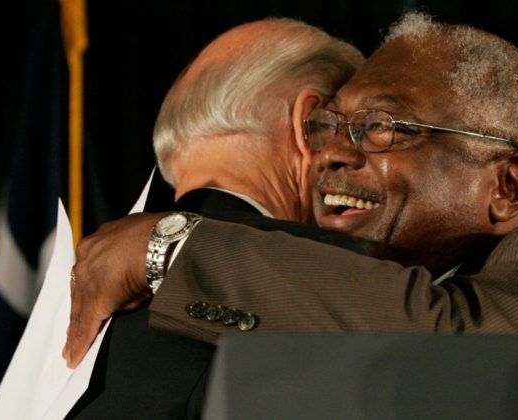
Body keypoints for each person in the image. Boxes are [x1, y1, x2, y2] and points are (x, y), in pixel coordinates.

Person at [65, 12, 518, 364]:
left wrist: (175, 248)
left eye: (380, 127)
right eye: (329, 125)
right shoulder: (343, 300)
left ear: (507, 187)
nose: (330, 152)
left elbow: (449, 344)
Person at [62, 18, 364, 418]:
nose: (358, 157)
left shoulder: (78, 307)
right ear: (307, 125)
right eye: (353, 128)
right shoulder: (326, 272)